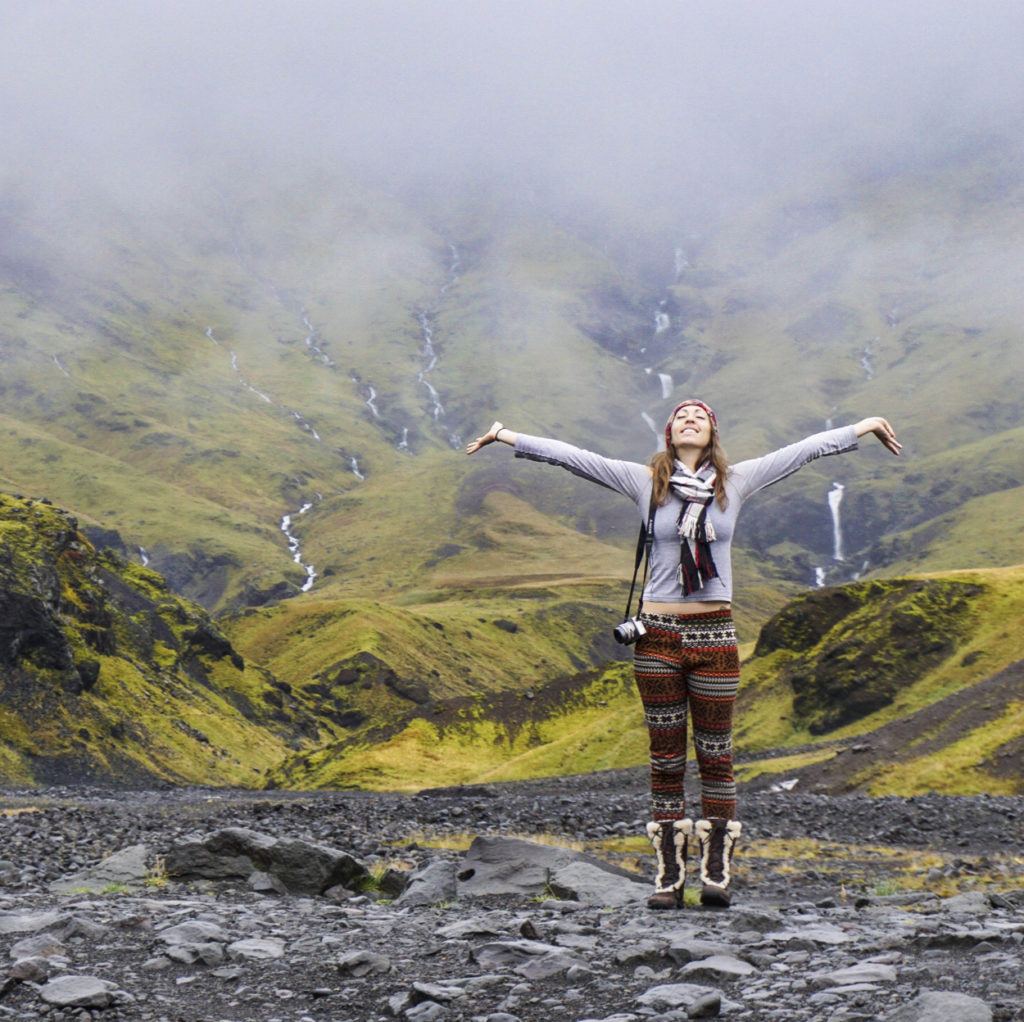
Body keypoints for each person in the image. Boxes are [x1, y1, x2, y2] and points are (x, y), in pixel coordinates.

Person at [466, 401, 901, 909]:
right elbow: (574, 457)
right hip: (657, 635)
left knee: (717, 754)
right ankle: (669, 873)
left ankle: (716, 868)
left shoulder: (735, 482)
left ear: (713, 429)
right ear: (669, 432)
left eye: (700, 414)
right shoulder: (642, 482)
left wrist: (862, 427)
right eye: (680, 415)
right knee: (666, 757)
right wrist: (507, 435)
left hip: (714, 634)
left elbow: (801, 452)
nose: (690, 418)